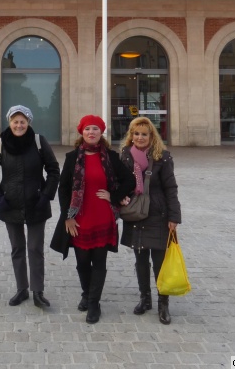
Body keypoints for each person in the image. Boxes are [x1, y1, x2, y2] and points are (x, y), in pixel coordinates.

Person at [49, 114, 135, 324]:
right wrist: (68, 217)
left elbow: (130, 180)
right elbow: (64, 190)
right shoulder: (72, 157)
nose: (91, 132)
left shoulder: (111, 157)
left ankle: (94, 302)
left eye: (95, 129)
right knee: (82, 261)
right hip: (79, 218)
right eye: (88, 129)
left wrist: (113, 196)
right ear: (82, 132)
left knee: (99, 261)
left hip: (103, 217)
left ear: (101, 132)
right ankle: (86, 294)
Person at [0, 105, 60, 309]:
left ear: (28, 123)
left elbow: (53, 170)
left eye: (22, 121)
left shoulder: (38, 141)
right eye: (15, 121)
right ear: (9, 122)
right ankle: (21, 289)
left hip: (36, 203)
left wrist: (46, 195)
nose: (19, 125)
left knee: (35, 248)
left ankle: (38, 291)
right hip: (10, 204)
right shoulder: (1, 144)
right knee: (17, 248)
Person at [120, 117, 181, 324]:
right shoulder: (126, 156)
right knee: (140, 260)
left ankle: (163, 304)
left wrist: (174, 216)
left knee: (159, 262)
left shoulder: (162, 157)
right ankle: (145, 298)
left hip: (157, 214)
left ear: (151, 136)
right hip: (136, 214)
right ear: (131, 135)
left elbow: (171, 188)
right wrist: (121, 196)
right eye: (136, 134)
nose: (139, 137)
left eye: (144, 134)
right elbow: (120, 182)